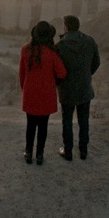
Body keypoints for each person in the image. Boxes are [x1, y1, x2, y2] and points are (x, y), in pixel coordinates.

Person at [19, 21, 67, 165]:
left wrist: (25, 90)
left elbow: (21, 74)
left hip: (30, 93)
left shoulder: (25, 50)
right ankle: (40, 155)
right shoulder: (51, 53)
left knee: (30, 125)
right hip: (46, 95)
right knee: (43, 126)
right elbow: (62, 73)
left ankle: (28, 153)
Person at [55, 15, 101, 161]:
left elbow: (57, 69)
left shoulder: (60, 46)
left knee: (67, 120)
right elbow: (96, 62)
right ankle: (83, 151)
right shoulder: (89, 41)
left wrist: (60, 82)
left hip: (66, 88)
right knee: (83, 120)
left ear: (66, 27)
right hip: (84, 88)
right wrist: (87, 75)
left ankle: (67, 151)